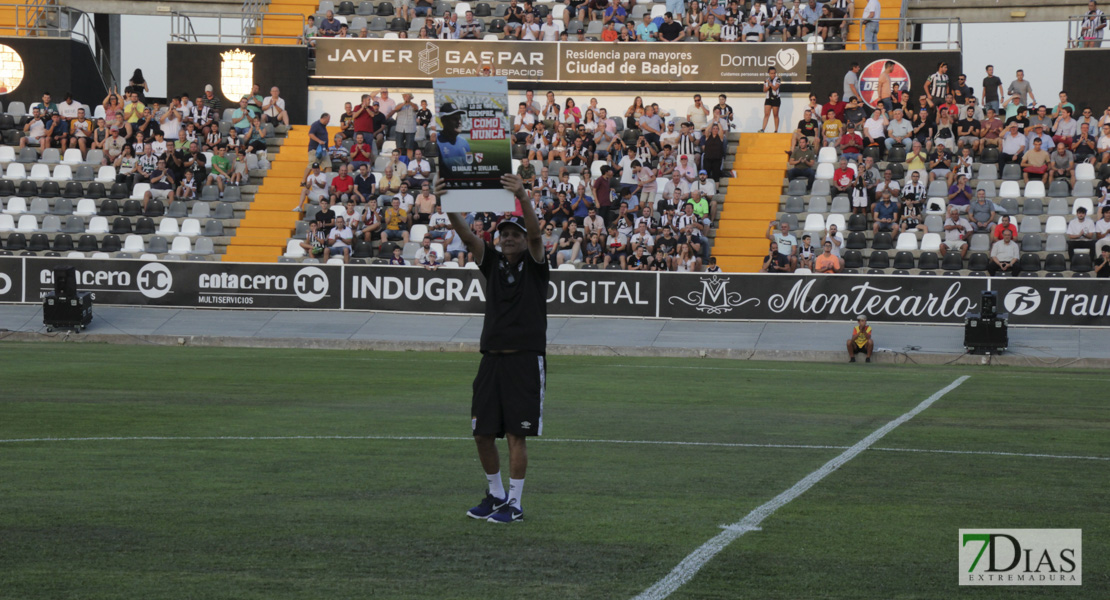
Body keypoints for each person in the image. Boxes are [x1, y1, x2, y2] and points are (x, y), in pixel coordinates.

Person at [442, 174, 547, 525]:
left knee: (517, 434)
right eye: (504, 234)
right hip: (491, 360)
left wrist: (523, 197)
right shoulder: (492, 262)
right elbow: (466, 237)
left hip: (524, 360)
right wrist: (449, 206)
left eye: (514, 234)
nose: (509, 238)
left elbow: (535, 235)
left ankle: (515, 504)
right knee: (481, 433)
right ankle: (497, 494)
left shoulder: (535, 267)